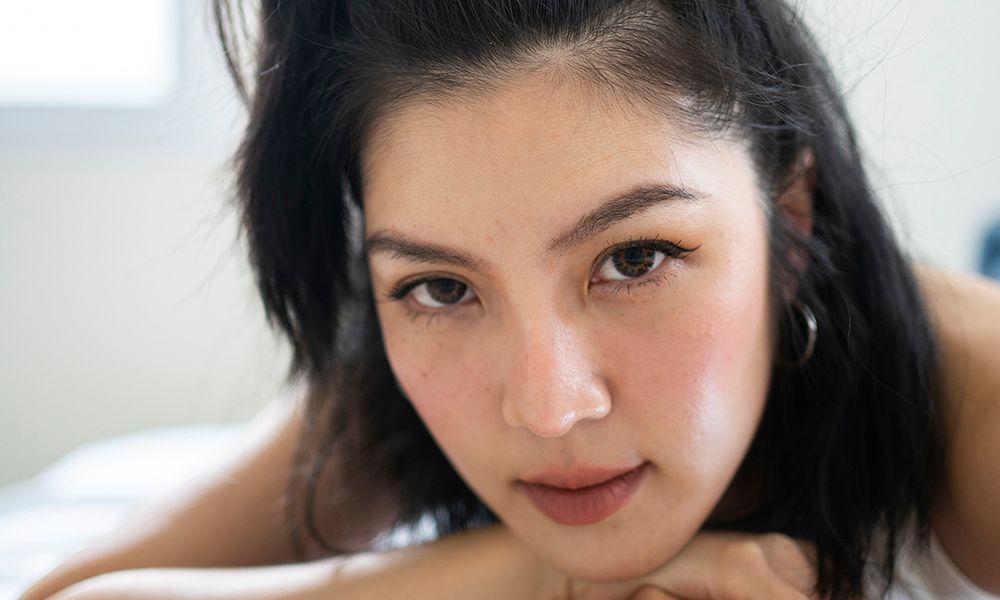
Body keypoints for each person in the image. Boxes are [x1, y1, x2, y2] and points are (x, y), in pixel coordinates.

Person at [20, 0, 1000, 598]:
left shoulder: (974, 412)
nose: (546, 407)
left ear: (789, 218)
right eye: (442, 285)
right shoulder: (394, 388)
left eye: (635, 259)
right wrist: (539, 577)